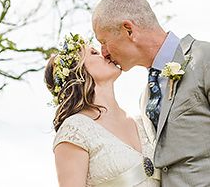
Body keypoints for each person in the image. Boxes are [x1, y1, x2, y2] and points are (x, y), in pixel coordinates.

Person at [92, 0, 210, 187]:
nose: (103, 53)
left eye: (103, 42)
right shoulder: (145, 98)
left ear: (128, 30)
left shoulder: (204, 58)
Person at [45, 33, 159, 186]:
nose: (105, 54)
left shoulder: (142, 121)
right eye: (94, 53)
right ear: (78, 71)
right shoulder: (75, 130)